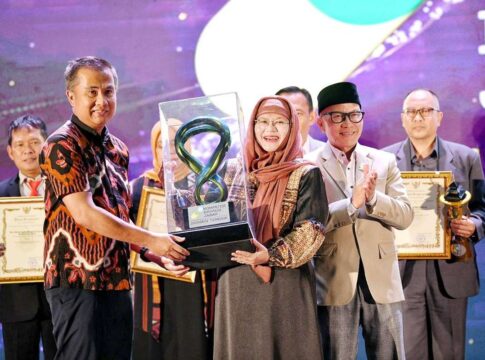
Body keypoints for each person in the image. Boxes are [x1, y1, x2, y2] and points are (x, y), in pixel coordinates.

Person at [39, 56, 189, 360]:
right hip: (75, 281)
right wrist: (152, 239)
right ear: (71, 96)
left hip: (118, 280)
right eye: (91, 92)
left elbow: (120, 216)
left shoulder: (118, 149)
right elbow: (85, 213)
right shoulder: (61, 146)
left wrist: (153, 253)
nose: (101, 100)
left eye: (108, 91)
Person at [213, 96, 328, 360]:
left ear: (293, 127)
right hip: (237, 281)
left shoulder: (306, 173)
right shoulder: (233, 170)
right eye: (262, 122)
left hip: (284, 285)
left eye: (279, 123)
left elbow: (312, 230)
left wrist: (269, 255)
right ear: (252, 126)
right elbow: (216, 220)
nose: (270, 130)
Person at [306, 82, 413, 359]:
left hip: (382, 280)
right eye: (337, 116)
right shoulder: (307, 165)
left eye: (354, 115)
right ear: (321, 122)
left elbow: (405, 215)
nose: (347, 124)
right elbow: (307, 224)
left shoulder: (384, 160)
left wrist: (374, 200)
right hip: (333, 279)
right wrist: (350, 204)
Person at [382, 88, 485, 360]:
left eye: (426, 111)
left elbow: (482, 208)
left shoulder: (466, 158)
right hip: (403, 274)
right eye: (412, 112)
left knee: (449, 354)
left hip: (451, 270)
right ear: (403, 119)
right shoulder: (383, 161)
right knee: (410, 353)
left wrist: (474, 225)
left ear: (439, 117)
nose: (419, 117)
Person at [130, 120, 214, 360]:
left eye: (178, 145)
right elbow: (127, 240)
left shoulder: (206, 189)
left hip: (194, 282)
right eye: (161, 145)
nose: (170, 153)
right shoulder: (138, 189)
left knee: (192, 345)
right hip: (153, 282)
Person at [0, 115, 57, 359]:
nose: (28, 150)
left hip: (60, 297)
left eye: (34, 142)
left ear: (46, 145)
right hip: (15, 303)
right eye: (20, 145)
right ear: (10, 152)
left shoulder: (64, 188)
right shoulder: (1, 194)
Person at [276, 86, 325, 153]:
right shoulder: (261, 158)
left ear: (312, 117)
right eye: (283, 113)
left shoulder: (329, 154)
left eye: (297, 113)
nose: (290, 121)